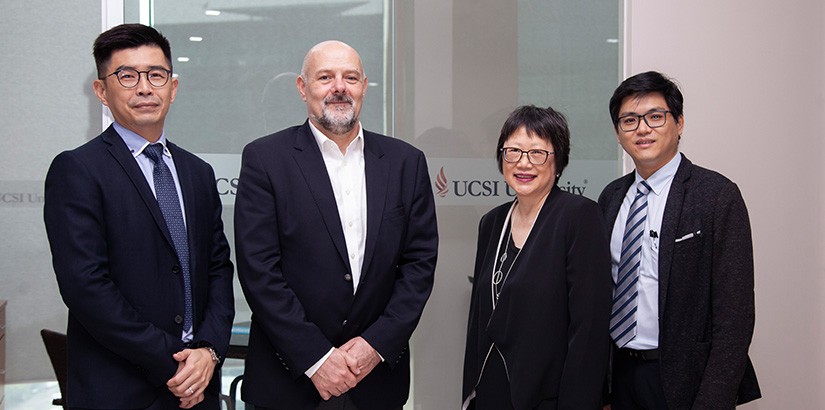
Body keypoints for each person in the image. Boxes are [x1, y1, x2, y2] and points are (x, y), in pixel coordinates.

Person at [234, 40, 438, 410]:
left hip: (375, 383)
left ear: (364, 86)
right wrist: (316, 357)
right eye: (325, 77)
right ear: (302, 87)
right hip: (289, 383)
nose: (339, 87)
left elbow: (419, 267)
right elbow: (259, 271)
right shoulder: (265, 159)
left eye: (350, 77)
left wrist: (375, 345)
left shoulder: (405, 162)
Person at [43, 24, 235, 409]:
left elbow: (218, 269)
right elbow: (86, 286)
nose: (145, 88)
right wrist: (174, 360)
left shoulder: (197, 172)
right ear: (102, 91)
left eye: (156, 75)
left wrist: (209, 351)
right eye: (127, 76)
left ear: (173, 87)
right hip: (120, 390)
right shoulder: (78, 170)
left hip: (198, 389)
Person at [598, 71, 761, 409]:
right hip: (620, 376)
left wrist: (712, 400)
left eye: (655, 117)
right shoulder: (611, 198)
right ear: (618, 132)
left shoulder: (716, 196)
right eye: (629, 120)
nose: (642, 129)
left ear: (679, 123)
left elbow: (735, 317)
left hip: (685, 381)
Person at [462, 105, 612, 409]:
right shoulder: (492, 223)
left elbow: (589, 328)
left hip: (549, 395)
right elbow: (479, 317)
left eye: (537, 153)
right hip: (491, 390)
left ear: (558, 162)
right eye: (513, 151)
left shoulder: (579, 216)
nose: (523, 163)